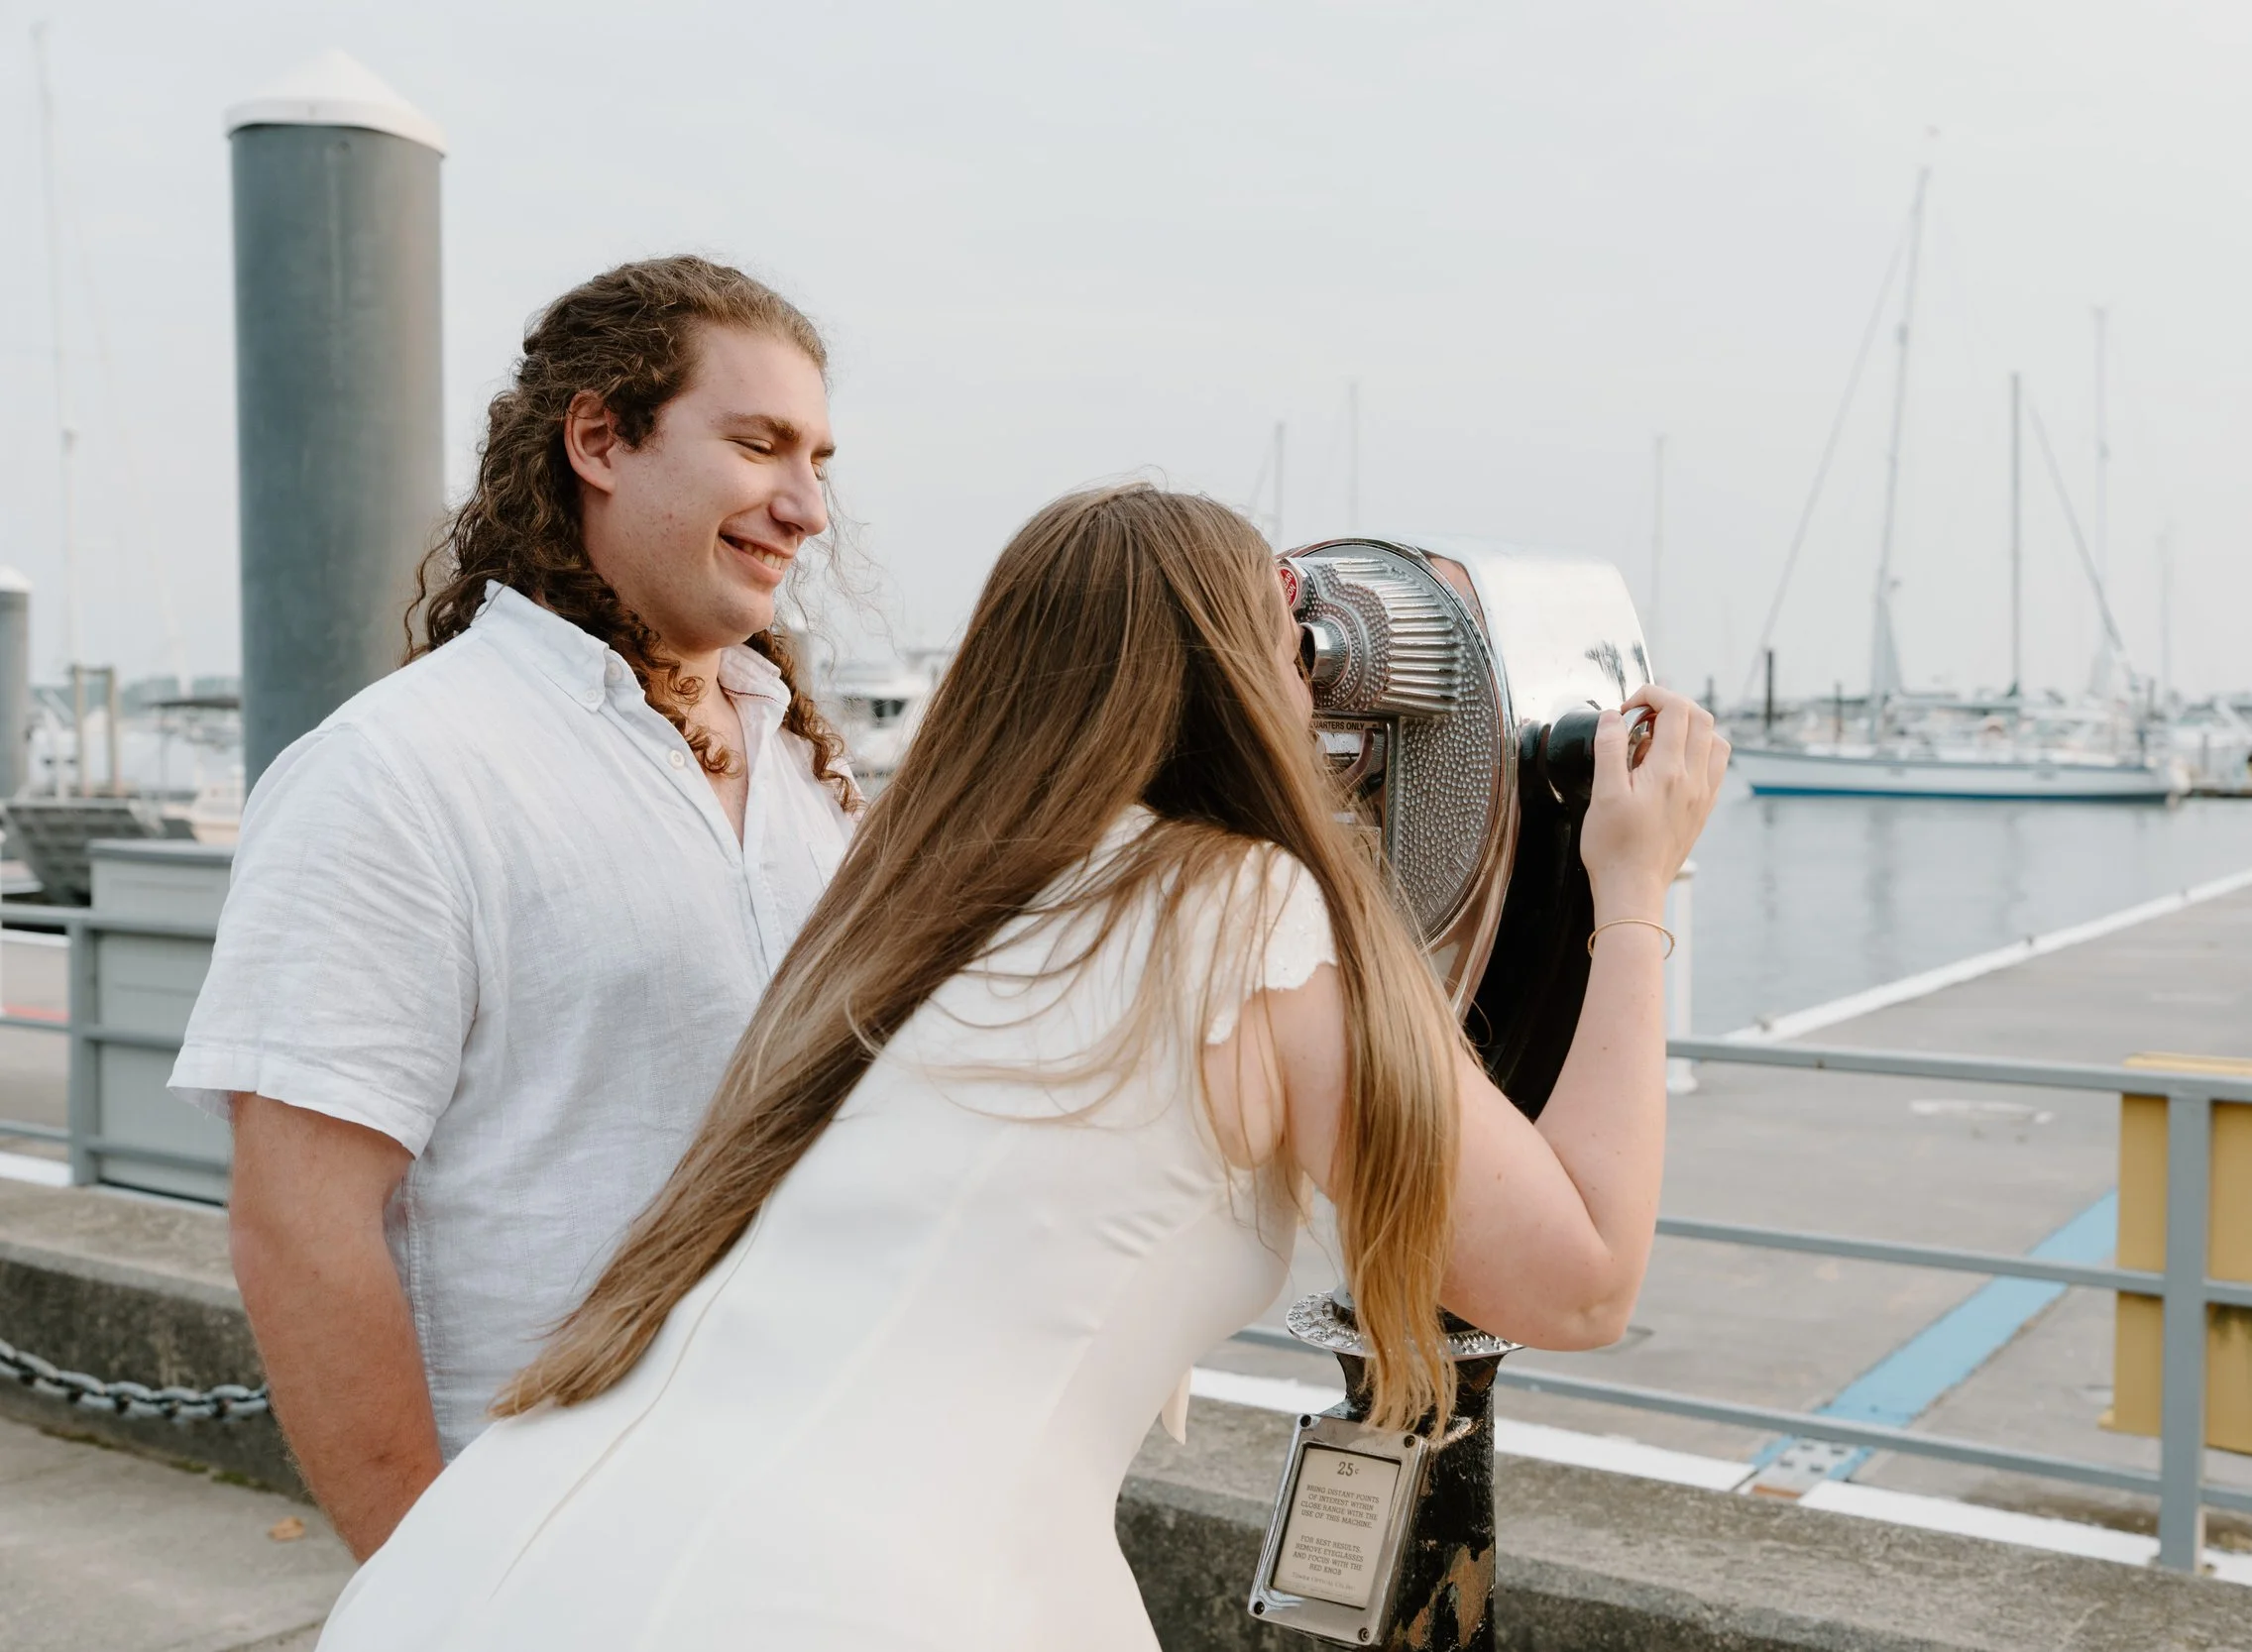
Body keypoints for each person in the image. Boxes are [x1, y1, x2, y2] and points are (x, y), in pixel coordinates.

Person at [311, 485, 1727, 1651]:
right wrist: (1632, 883)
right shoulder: (1253, 913)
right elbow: (1584, 1274)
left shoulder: (888, 907)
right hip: (855, 1604)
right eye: (1298, 657)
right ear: (1252, 678)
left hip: (484, 1564)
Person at [169, 257, 865, 1559]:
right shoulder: (399, 772)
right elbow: (300, 1218)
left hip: (796, 1535)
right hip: (550, 1555)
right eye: (759, 444)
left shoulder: (806, 770)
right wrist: (439, 1591)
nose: (807, 505)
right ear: (600, 439)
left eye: (819, 457)